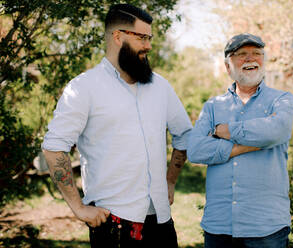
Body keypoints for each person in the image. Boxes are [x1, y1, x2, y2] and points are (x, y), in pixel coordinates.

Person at [42, 4, 192, 247]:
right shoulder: (83, 88)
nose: (149, 46)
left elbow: (184, 135)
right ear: (118, 36)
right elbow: (53, 147)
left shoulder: (161, 87)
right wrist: (77, 207)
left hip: (161, 219)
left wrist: (170, 182)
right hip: (113, 223)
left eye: (150, 38)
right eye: (142, 37)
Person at [187, 33, 293, 248]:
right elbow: (196, 150)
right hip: (218, 226)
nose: (250, 58)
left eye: (257, 53)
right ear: (228, 67)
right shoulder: (213, 106)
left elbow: (277, 131)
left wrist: (224, 130)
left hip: (266, 227)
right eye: (242, 54)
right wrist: (249, 145)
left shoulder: (281, 99)